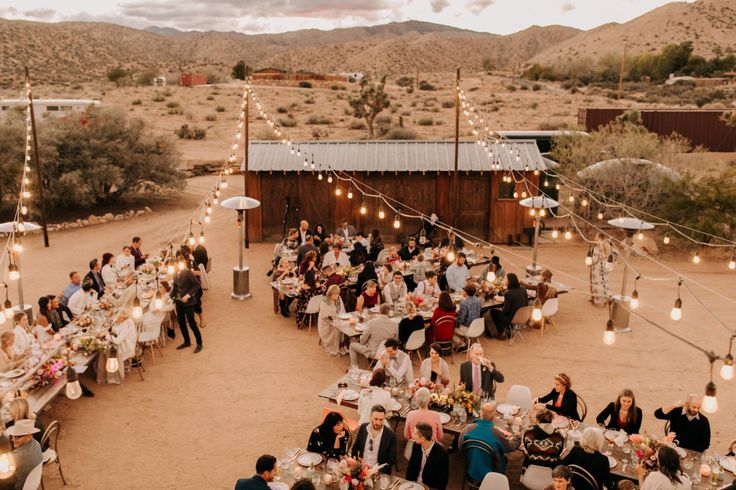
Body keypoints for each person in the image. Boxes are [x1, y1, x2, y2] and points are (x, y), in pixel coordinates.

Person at [459, 402, 521, 478]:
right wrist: (517, 437)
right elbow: (510, 447)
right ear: (493, 417)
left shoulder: (468, 428)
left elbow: (460, 446)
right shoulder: (497, 433)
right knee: (504, 458)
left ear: (480, 413)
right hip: (492, 472)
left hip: (471, 466)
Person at [351, 405, 397, 474]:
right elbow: (355, 446)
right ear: (370, 416)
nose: (378, 423)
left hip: (379, 472)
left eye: (381, 420)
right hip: (361, 469)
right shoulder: (363, 428)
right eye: (375, 419)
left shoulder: (391, 435)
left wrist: (376, 471)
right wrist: (355, 461)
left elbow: (391, 460)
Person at [349, 304, 397, 368]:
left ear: (379, 312)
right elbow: (395, 340)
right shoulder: (395, 324)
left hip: (375, 353)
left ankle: (354, 368)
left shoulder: (371, 323)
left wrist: (359, 340)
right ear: (389, 312)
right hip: (389, 352)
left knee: (352, 345)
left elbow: (362, 341)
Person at [171, 261, 203, 353]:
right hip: (178, 302)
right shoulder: (174, 274)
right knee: (181, 323)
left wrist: (188, 295)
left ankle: (199, 343)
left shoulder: (187, 272)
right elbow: (175, 288)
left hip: (188, 303)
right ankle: (187, 341)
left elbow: (197, 285)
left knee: (192, 323)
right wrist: (170, 297)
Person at [406, 422, 449, 490]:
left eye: (415, 434)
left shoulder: (442, 454)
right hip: (414, 485)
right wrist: (408, 484)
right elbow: (410, 468)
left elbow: (442, 482)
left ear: (422, 439)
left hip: (430, 487)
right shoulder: (416, 445)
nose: (413, 435)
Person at [489, 273, 528, 339]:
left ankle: (501, 332)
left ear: (510, 281)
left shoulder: (509, 293)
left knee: (493, 311)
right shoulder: (523, 290)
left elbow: (506, 310)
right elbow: (526, 304)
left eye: (506, 279)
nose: (504, 280)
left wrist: (500, 309)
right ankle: (508, 329)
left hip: (512, 318)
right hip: (523, 316)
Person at [7, 419, 42, 490]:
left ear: (28, 436)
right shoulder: (36, 444)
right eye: (12, 436)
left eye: (17, 437)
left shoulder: (18, 456)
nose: (12, 439)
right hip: (32, 483)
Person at [318, 285, 344, 357]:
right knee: (336, 328)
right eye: (335, 294)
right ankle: (335, 347)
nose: (337, 296)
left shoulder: (339, 298)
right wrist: (334, 320)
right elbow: (324, 316)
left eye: (338, 294)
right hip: (326, 323)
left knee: (345, 326)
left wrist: (339, 318)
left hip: (336, 319)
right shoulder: (325, 302)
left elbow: (342, 311)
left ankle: (342, 345)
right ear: (330, 294)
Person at [590, 233, 613, 306]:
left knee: (597, 283)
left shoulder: (597, 247)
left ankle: (600, 300)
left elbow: (595, 259)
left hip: (597, 267)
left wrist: (590, 262)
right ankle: (608, 297)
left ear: (599, 238)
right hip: (604, 266)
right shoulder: (606, 245)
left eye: (596, 236)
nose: (595, 238)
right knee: (604, 283)